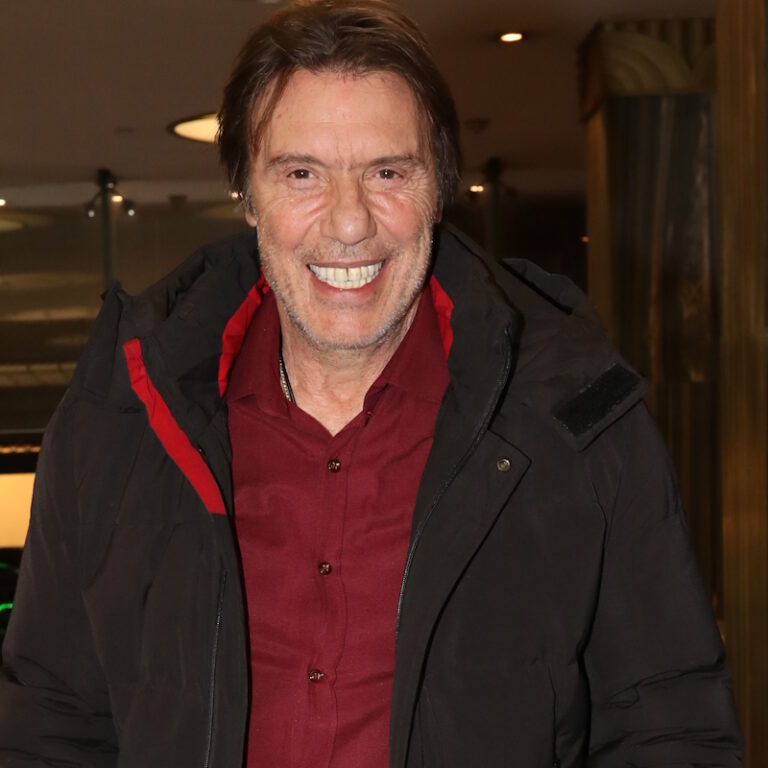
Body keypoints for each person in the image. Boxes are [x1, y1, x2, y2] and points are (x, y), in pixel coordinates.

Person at [0, 1, 743, 766]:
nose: (349, 222)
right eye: (302, 175)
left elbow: (671, 728)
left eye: (387, 172)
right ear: (249, 195)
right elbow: (50, 726)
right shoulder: (117, 425)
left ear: (437, 191)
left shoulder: (578, 423)